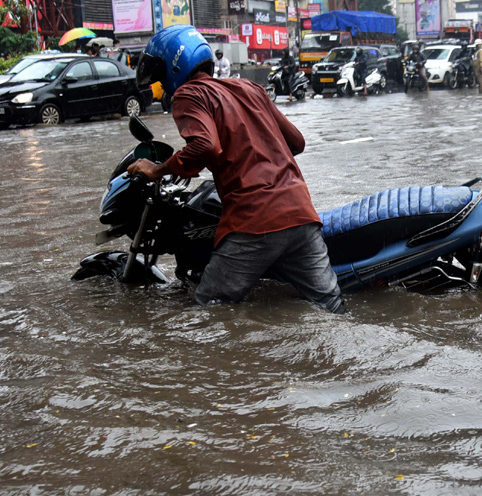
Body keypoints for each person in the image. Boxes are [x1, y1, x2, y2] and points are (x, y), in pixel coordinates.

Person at [127, 25, 346, 313]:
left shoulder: (189, 94)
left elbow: (204, 147)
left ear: (174, 66)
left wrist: (157, 170)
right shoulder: (249, 88)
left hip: (255, 219)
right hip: (301, 213)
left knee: (210, 311)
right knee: (331, 309)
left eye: (160, 73)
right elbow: (296, 142)